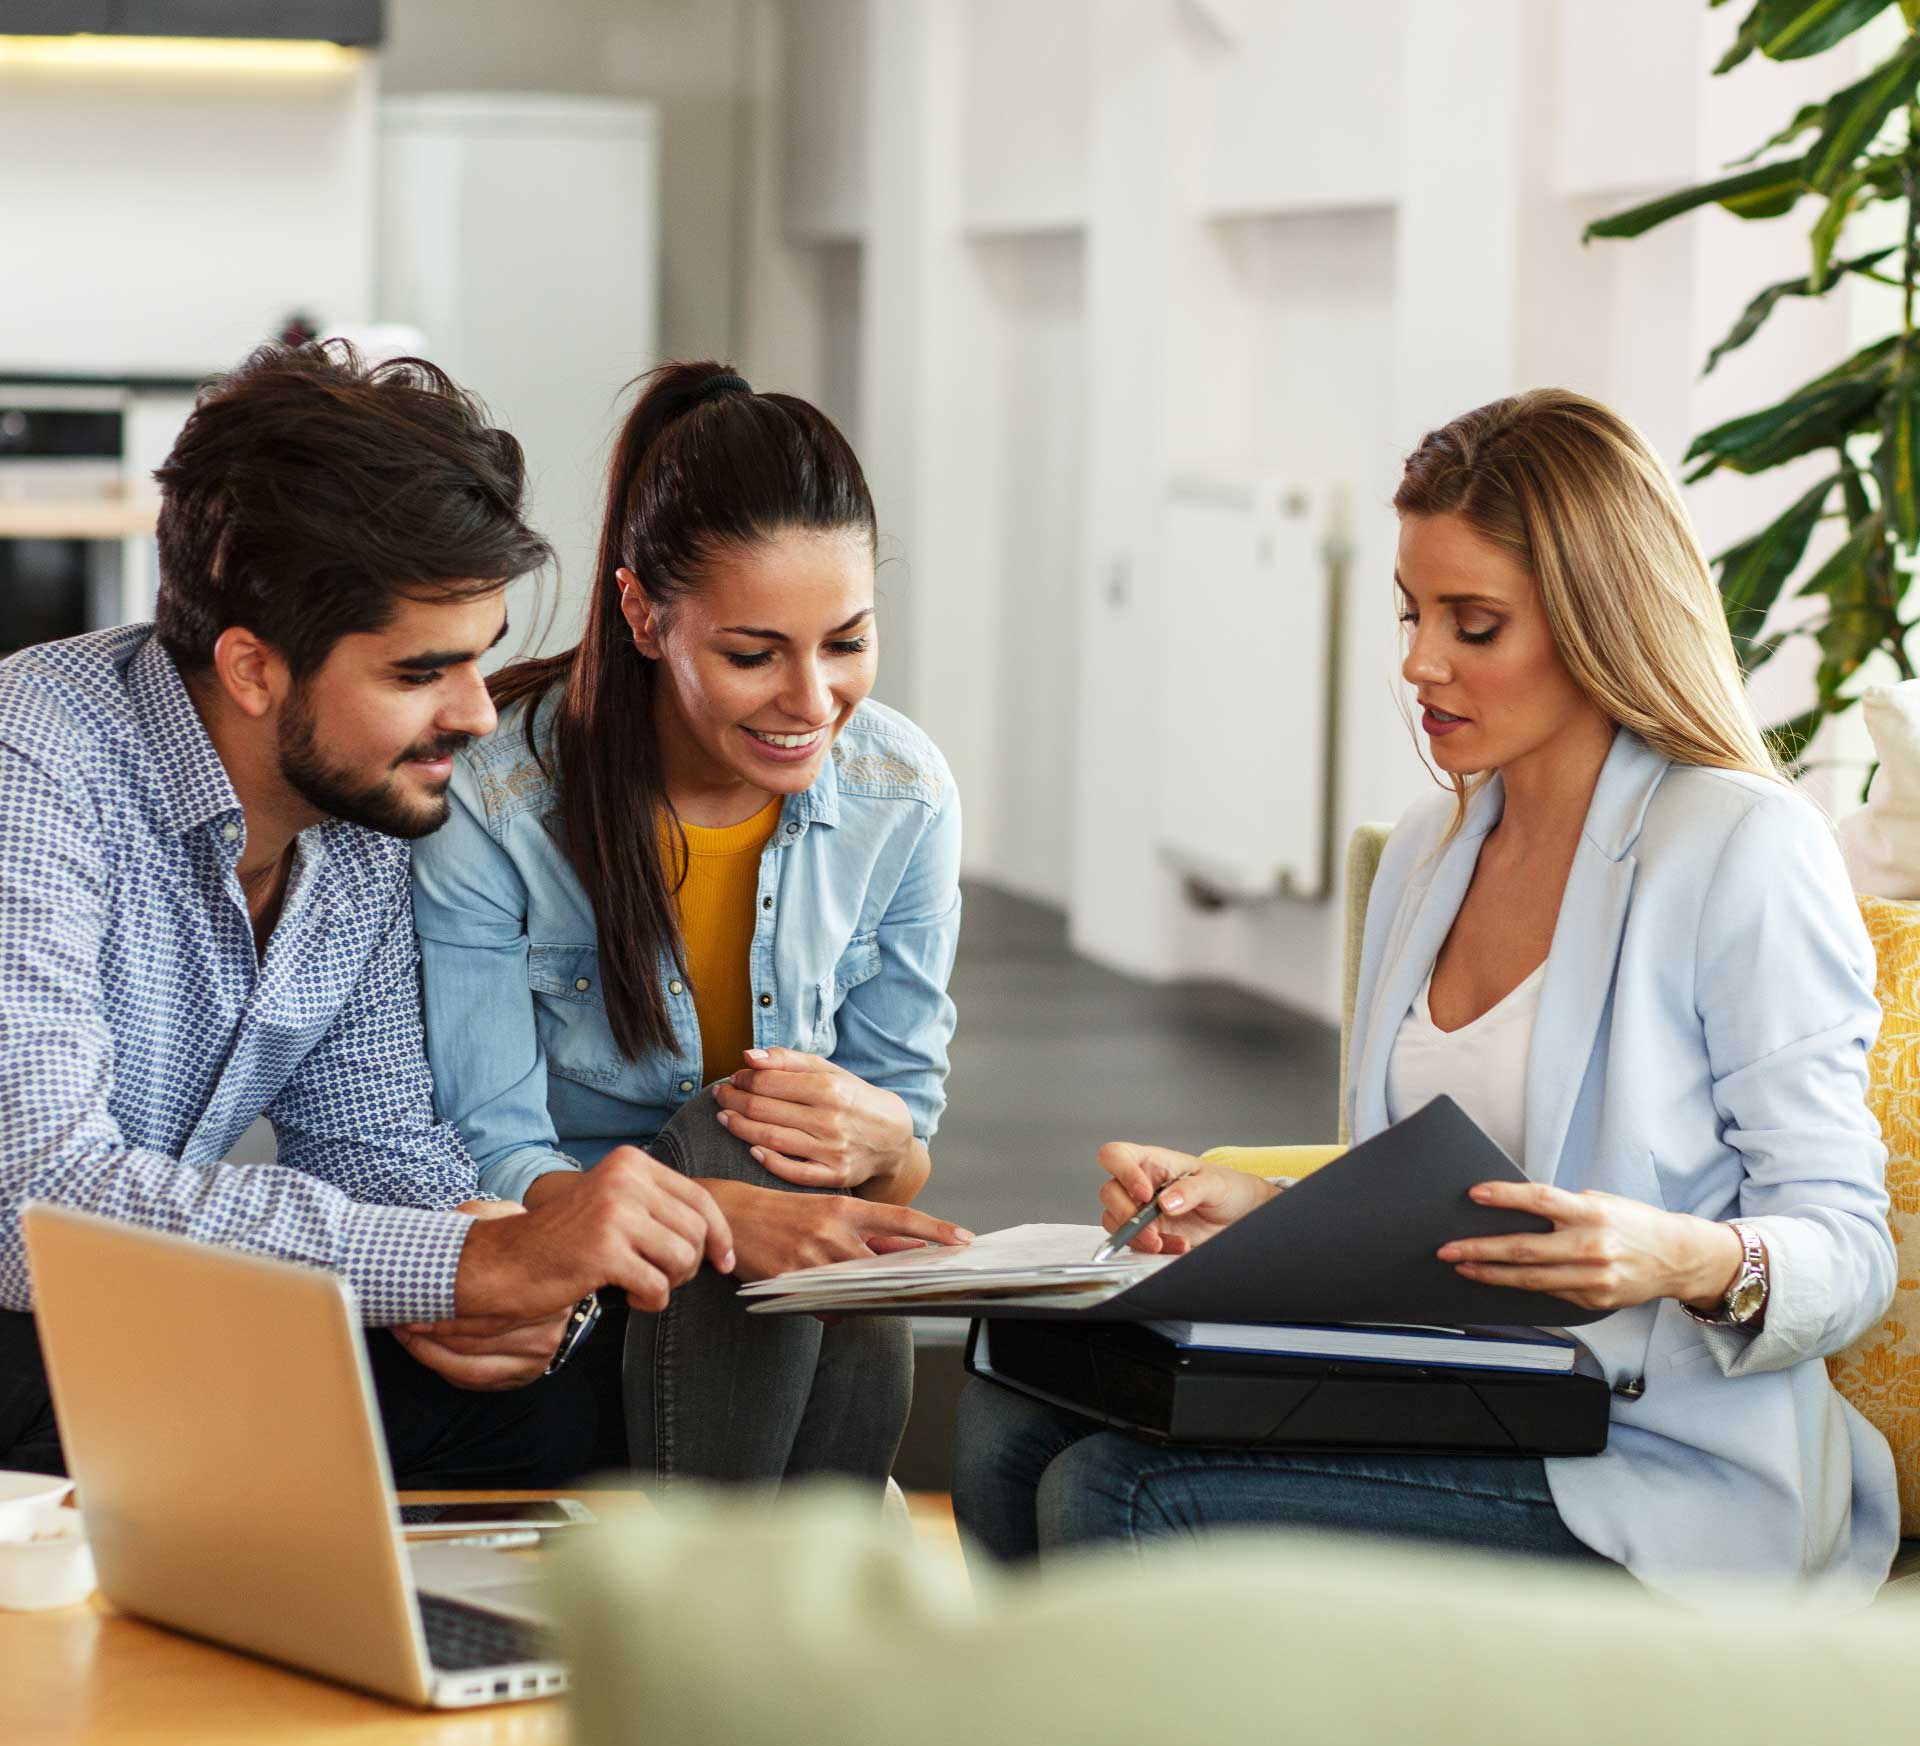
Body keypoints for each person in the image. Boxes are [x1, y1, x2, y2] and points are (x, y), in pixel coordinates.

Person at [953, 389, 1900, 1605]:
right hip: (1456, 1402)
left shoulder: (1739, 848)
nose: (1417, 661)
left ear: (1595, 622)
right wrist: (1267, 1210)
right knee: (1005, 1425)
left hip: (1651, 1462)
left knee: (1118, 1493)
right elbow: (1428, 1211)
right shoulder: (1428, 849)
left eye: (1475, 623)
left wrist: (1680, 1257)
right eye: (1413, 613)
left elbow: (1850, 1251)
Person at [0, 340, 733, 1488]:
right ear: (253, 669)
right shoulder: (33, 760)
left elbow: (372, 1140)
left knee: (600, 1390)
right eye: (418, 673)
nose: (478, 716)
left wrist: (485, 1256)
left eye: (479, 662)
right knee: (88, 1370)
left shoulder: (359, 819)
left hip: (117, 1326)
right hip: (24, 1318)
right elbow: (35, 1203)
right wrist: (455, 1267)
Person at [411, 361, 969, 1491]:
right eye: (753, 655)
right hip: (577, 1286)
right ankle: (791, 1593)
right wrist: (727, 1209)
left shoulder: (904, 793)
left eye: (848, 642)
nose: (813, 701)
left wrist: (882, 1144)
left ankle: (764, 1601)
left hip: (777, 1302)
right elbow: (493, 1150)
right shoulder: (497, 797)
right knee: (737, 1138)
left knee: (805, 1165)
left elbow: (899, 1151)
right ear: (642, 614)